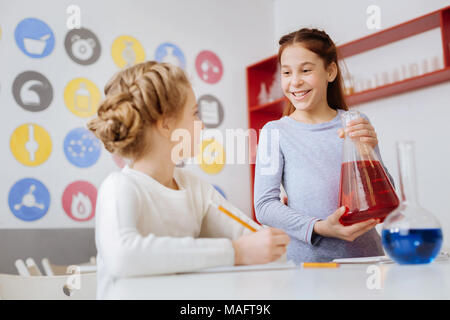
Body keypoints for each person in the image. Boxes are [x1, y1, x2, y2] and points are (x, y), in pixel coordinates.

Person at [87, 61, 290, 299]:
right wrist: (234, 252)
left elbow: (258, 244)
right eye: (194, 113)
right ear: (165, 124)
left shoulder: (193, 187)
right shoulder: (120, 186)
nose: (201, 124)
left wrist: (273, 239)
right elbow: (124, 256)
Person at [254, 28, 395, 264]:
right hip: (310, 267)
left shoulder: (355, 123)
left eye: (306, 70)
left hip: (368, 261)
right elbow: (264, 206)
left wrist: (367, 152)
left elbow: (386, 198)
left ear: (330, 71)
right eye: (287, 73)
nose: (295, 81)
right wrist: (320, 227)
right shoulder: (274, 133)